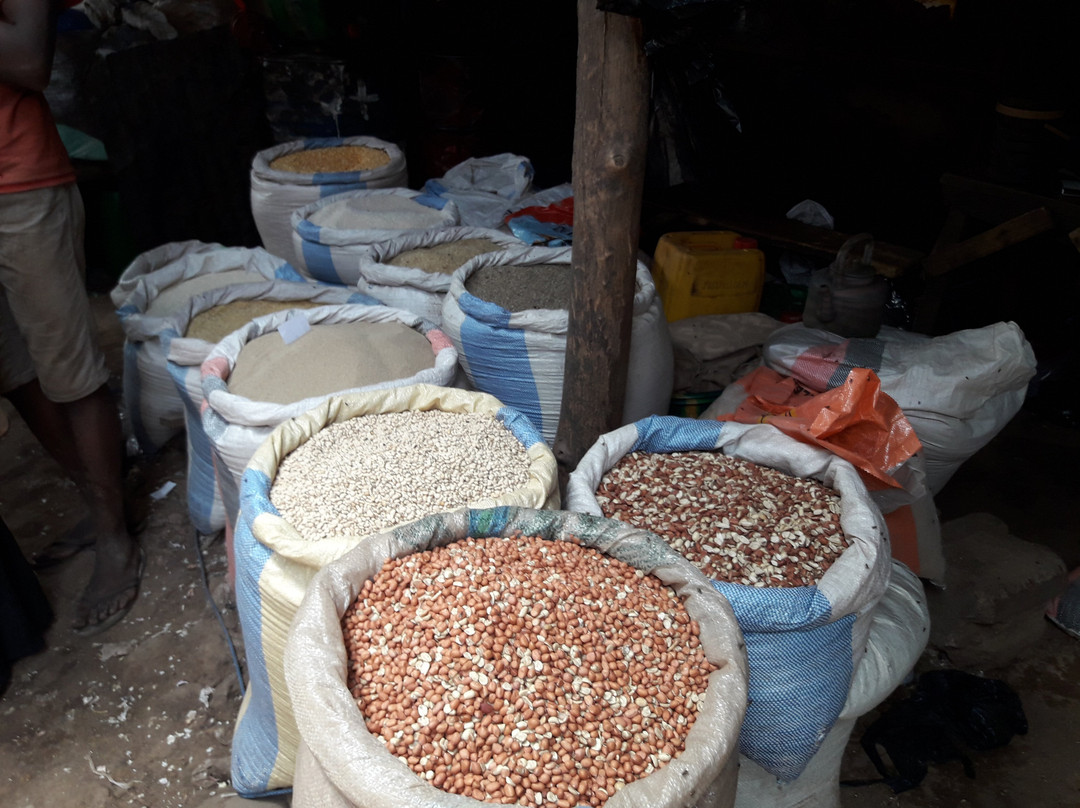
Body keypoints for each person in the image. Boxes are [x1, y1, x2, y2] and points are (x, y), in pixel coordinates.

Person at [0, 0, 142, 634]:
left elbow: (30, 59)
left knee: (69, 370)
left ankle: (116, 536)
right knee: (15, 371)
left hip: (19, 185)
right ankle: (94, 494)